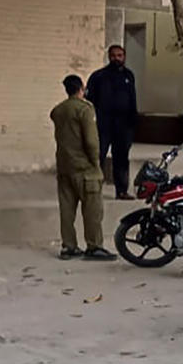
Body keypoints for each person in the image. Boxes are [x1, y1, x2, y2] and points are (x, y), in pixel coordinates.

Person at [49, 75, 116, 261]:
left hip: (64, 165)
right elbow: (91, 141)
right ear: (81, 88)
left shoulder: (58, 110)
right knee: (92, 209)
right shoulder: (85, 109)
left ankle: (69, 246)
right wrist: (96, 163)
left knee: (67, 209)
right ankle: (94, 246)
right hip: (85, 168)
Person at [86, 45, 137, 199]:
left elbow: (133, 100)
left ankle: (121, 191)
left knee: (121, 158)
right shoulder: (98, 76)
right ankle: (93, 190)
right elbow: (89, 101)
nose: (117, 58)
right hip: (103, 124)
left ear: (124, 56)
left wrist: (133, 123)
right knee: (97, 157)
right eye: (114, 55)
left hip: (123, 125)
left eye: (120, 55)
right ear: (109, 57)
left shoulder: (129, 76)